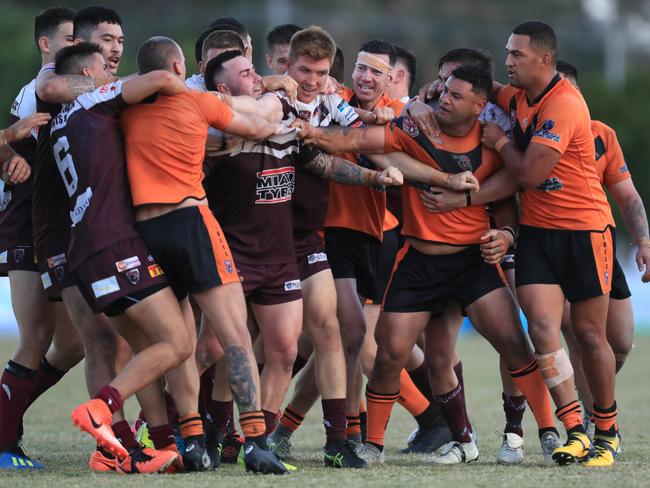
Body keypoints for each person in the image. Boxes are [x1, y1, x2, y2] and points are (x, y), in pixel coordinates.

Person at [297, 63, 557, 466]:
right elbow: (357, 137)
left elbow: (508, 206)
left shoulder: (492, 144)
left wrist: (505, 235)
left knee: (514, 344)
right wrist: (309, 132)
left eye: (456, 95)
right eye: (444, 91)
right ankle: (374, 445)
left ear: (479, 105)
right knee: (388, 354)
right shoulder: (415, 128)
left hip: (472, 263)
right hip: (419, 262)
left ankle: (549, 432)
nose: (445, 100)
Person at [203, 49, 401, 467]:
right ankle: (206, 431)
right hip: (239, 246)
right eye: (304, 71)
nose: (313, 80)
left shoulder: (310, 118)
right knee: (221, 346)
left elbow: (329, 159)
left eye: (322, 73)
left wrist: (374, 176)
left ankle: (318, 440)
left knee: (314, 337)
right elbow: (209, 117)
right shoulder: (235, 120)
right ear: (285, 71)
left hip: (299, 244)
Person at [120, 35, 289, 475]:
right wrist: (275, 119)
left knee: (178, 343)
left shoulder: (123, 107)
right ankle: (255, 442)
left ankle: (192, 441)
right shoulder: (197, 101)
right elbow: (256, 125)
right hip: (190, 219)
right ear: (179, 68)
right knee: (234, 335)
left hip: (144, 230)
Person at [476, 21, 620, 467]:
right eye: (507, 52)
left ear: (544, 59)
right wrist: (439, 87)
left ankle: (607, 431)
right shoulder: (520, 96)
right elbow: (487, 88)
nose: (508, 61)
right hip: (537, 234)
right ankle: (574, 428)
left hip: (586, 233)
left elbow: (529, 174)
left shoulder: (564, 104)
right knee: (542, 328)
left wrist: (498, 140)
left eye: (516, 54)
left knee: (590, 333)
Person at [53, 41, 194, 474]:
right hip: (114, 242)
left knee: (145, 347)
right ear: (87, 76)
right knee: (178, 342)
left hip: (86, 247)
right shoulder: (94, 98)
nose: (113, 74)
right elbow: (163, 79)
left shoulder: (62, 121)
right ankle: (102, 408)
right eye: (104, 68)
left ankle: (147, 448)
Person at [556, 60, 649, 436]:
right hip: (551, 248)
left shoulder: (601, 135)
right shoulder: (530, 134)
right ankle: (593, 421)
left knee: (620, 343)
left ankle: (597, 402)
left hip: (600, 244)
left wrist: (643, 239)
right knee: (579, 337)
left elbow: (627, 197)